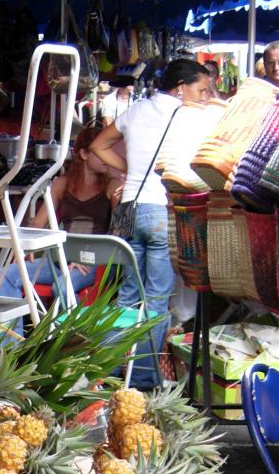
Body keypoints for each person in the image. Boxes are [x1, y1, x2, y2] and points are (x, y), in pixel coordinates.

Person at [91, 58, 212, 389]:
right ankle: (144, 377)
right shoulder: (187, 115)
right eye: (201, 90)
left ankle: (113, 370)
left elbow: (97, 146)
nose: (204, 97)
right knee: (158, 298)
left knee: (129, 294)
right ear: (180, 88)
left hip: (129, 208)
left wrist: (129, 169)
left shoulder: (136, 110)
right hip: (161, 209)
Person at [0, 123, 115, 304]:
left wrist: (86, 257)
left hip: (95, 261)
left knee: (62, 286)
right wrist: (23, 249)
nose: (108, 157)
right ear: (84, 154)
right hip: (61, 258)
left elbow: (118, 231)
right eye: (102, 152)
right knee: (8, 273)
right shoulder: (63, 183)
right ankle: (11, 333)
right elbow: (38, 222)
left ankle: (69, 332)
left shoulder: (111, 185)